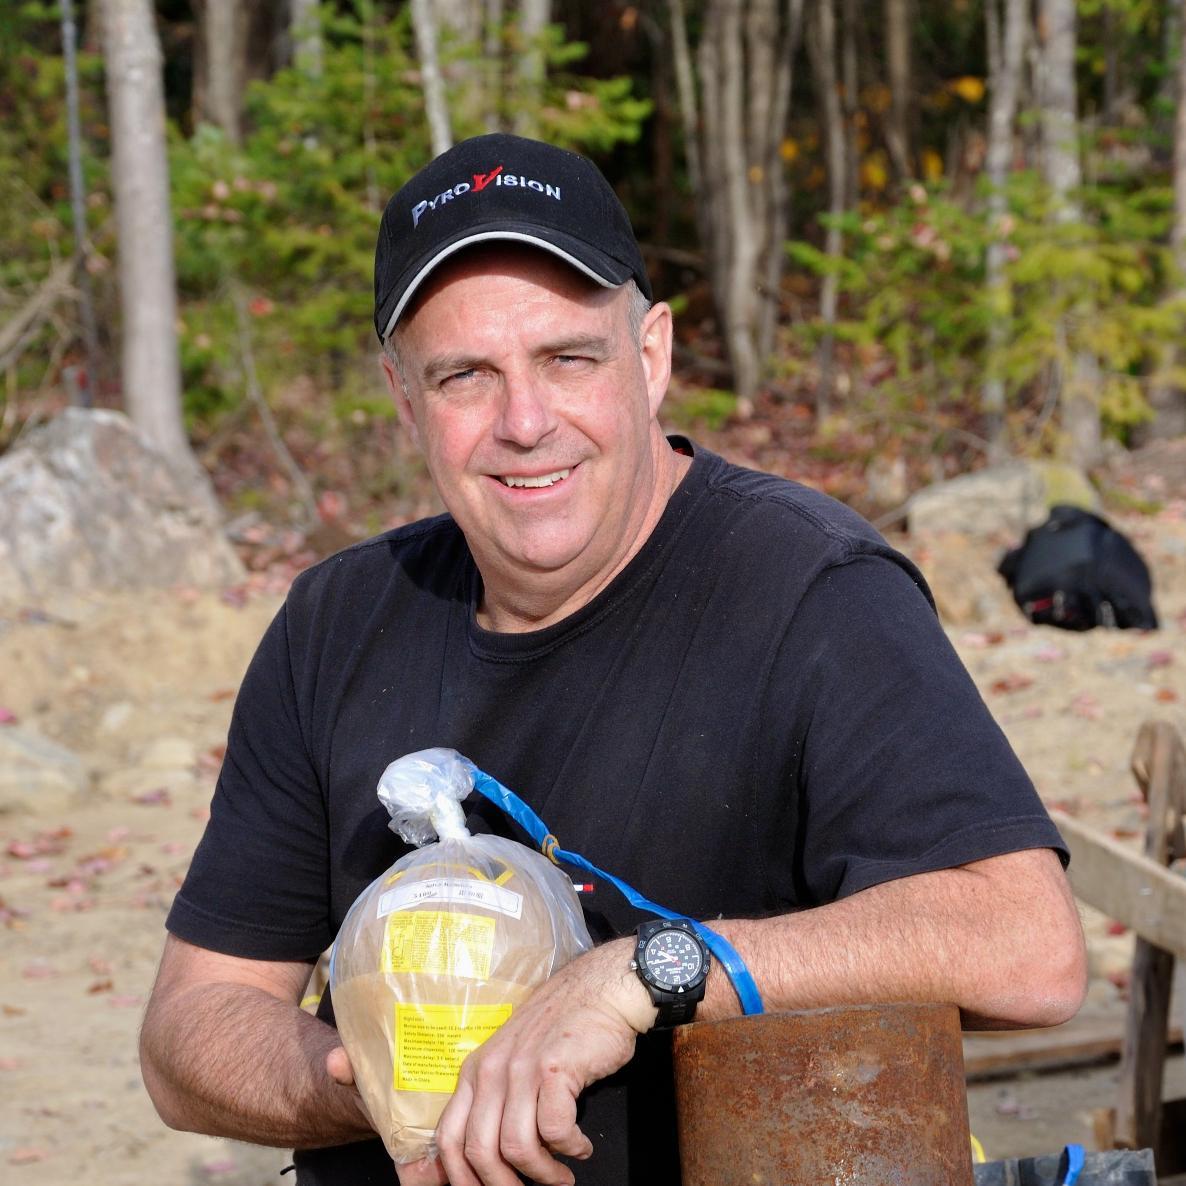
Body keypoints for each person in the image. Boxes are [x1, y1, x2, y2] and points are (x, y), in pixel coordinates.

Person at [140, 134, 1086, 1186]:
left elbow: (1024, 944)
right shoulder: (337, 623)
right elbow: (188, 1031)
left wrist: (641, 975)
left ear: (650, 357)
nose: (525, 422)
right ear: (406, 401)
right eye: (465, 376)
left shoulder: (812, 592)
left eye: (567, 358)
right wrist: (381, 1072)